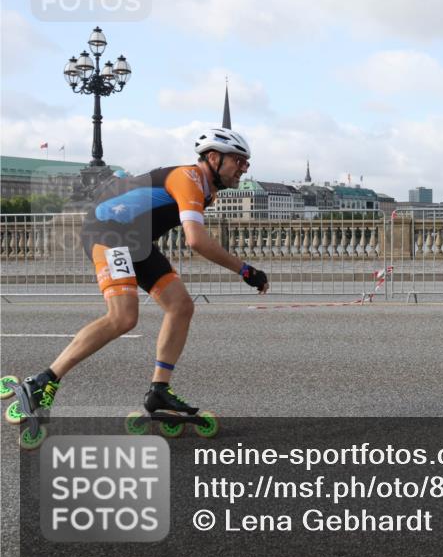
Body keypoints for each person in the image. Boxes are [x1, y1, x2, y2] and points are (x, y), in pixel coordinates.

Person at [3, 128, 269, 442]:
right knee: (123, 317)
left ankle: (159, 391)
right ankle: (42, 382)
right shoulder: (189, 179)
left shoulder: (207, 190)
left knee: (181, 306)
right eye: (239, 161)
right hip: (109, 233)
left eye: (246, 163)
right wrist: (246, 270)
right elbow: (196, 240)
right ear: (213, 157)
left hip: (137, 241)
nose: (243, 169)